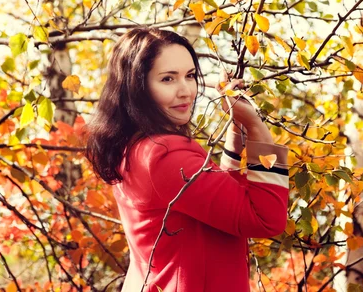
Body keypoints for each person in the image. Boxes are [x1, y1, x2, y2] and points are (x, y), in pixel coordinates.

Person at [86, 28, 289, 292]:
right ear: (138, 87)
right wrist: (255, 126)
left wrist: (237, 127)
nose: (186, 91)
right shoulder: (165, 155)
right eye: (168, 79)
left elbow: (214, 202)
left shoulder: (133, 147)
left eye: (190, 76)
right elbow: (267, 219)